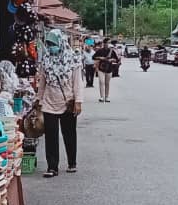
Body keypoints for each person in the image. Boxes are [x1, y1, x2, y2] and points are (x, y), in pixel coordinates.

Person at [36, 28, 83, 178]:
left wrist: (78, 101)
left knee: (69, 133)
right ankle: (52, 167)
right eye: (48, 44)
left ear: (61, 43)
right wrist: (39, 99)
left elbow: (78, 83)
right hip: (49, 102)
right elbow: (42, 82)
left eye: (53, 43)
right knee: (50, 135)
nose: (51, 47)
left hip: (67, 101)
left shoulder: (73, 59)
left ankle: (72, 162)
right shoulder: (46, 60)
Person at [93, 38, 119, 103]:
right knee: (101, 82)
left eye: (109, 43)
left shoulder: (112, 51)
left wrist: (112, 60)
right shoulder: (100, 50)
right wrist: (100, 57)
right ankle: (101, 97)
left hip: (109, 68)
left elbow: (116, 59)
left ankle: (107, 97)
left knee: (107, 83)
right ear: (104, 43)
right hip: (101, 68)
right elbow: (93, 57)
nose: (108, 44)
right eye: (107, 42)